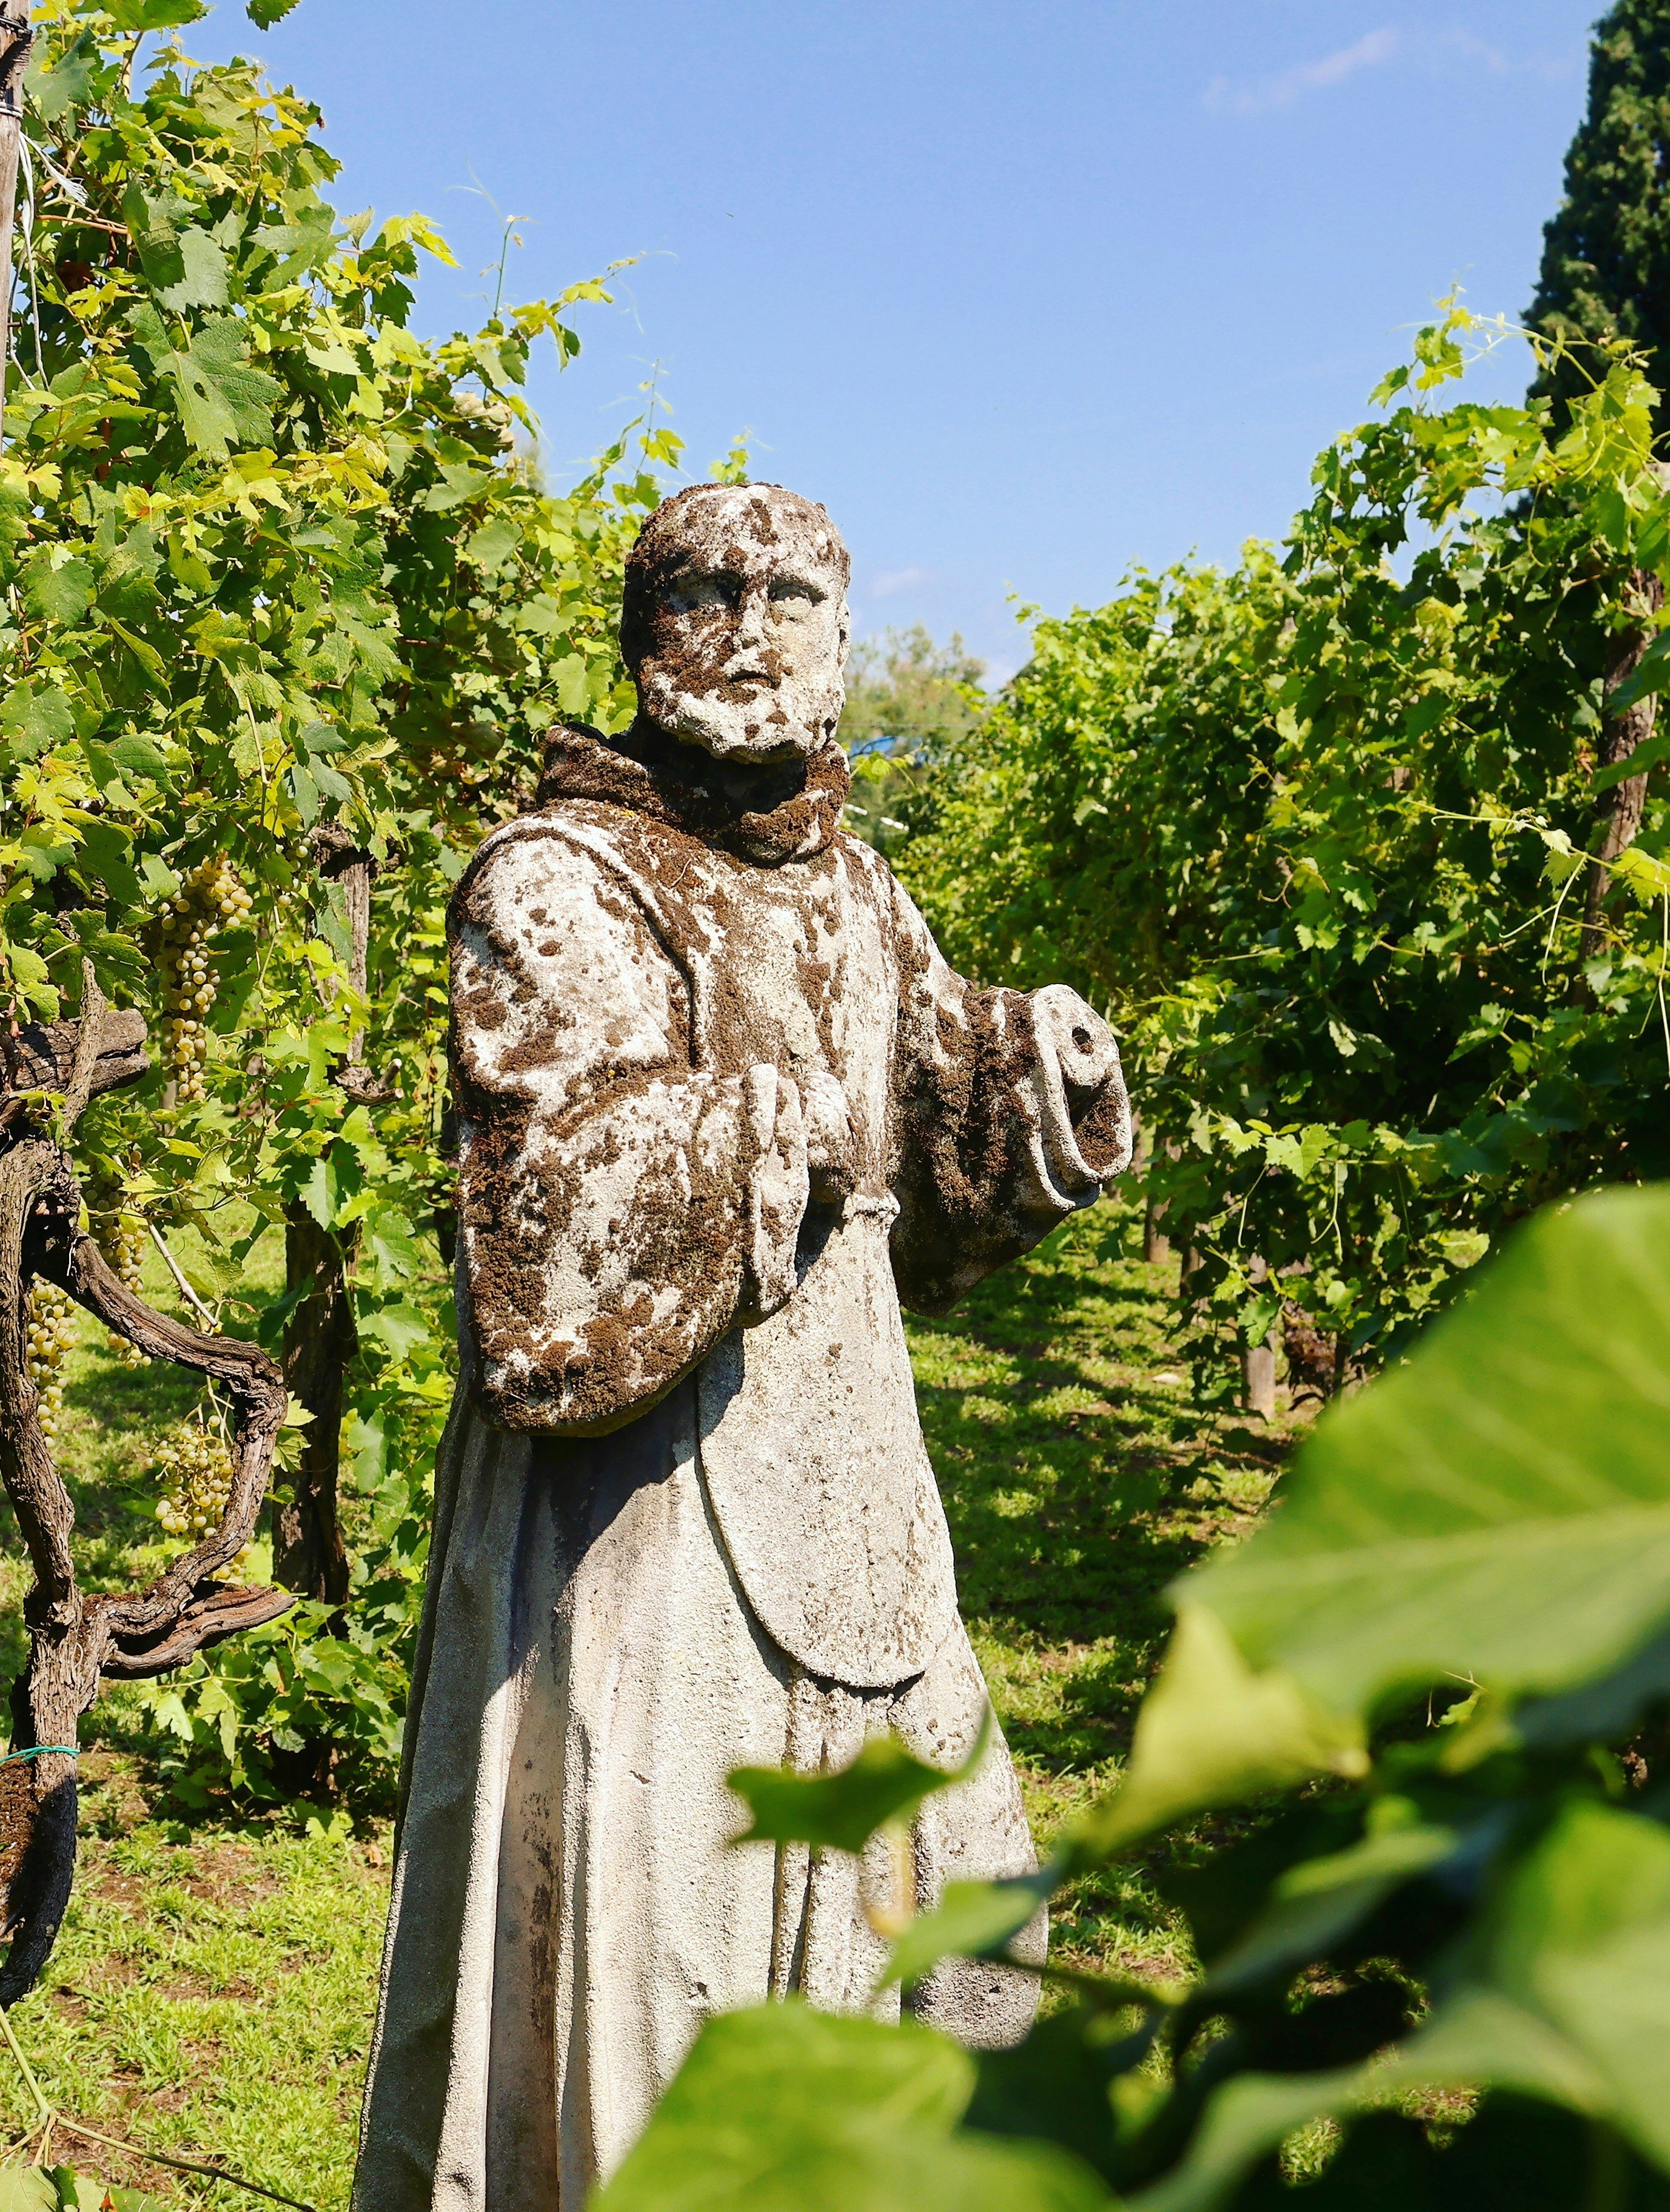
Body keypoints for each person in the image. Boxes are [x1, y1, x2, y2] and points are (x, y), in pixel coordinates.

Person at [353, 482, 1134, 2212]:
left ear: (839, 636)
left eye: (792, 594)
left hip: (855, 1480)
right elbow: (541, 1246)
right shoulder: (558, 878)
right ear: (642, 633)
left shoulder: (856, 887)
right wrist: (767, 1128)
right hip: (646, 1504)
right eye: (711, 589)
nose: (755, 628)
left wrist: (1027, 1076)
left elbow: (925, 1164)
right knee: (657, 1919)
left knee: (956, 1933)